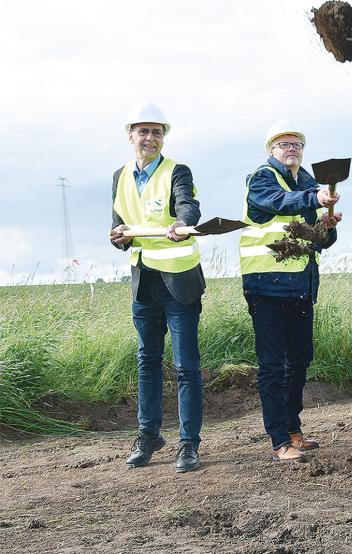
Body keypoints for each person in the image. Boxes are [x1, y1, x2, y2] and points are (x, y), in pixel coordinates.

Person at [109, 102, 206, 472]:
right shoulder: (118, 176)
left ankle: (188, 443)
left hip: (179, 282)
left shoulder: (177, 171)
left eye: (157, 132)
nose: (150, 138)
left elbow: (189, 207)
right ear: (131, 136)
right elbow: (120, 227)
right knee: (147, 362)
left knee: (186, 367)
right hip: (143, 280)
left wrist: (181, 224)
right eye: (143, 131)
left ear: (163, 137)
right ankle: (149, 435)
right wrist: (119, 237)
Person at [239, 120, 342, 462]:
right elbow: (278, 202)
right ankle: (279, 439)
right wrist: (314, 196)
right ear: (271, 150)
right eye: (283, 144)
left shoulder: (309, 182)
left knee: (299, 361)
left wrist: (325, 226)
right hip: (265, 287)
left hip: (300, 285)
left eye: (296, 144)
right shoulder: (262, 178)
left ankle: (293, 428)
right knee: (272, 365)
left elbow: (321, 241)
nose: (291, 149)